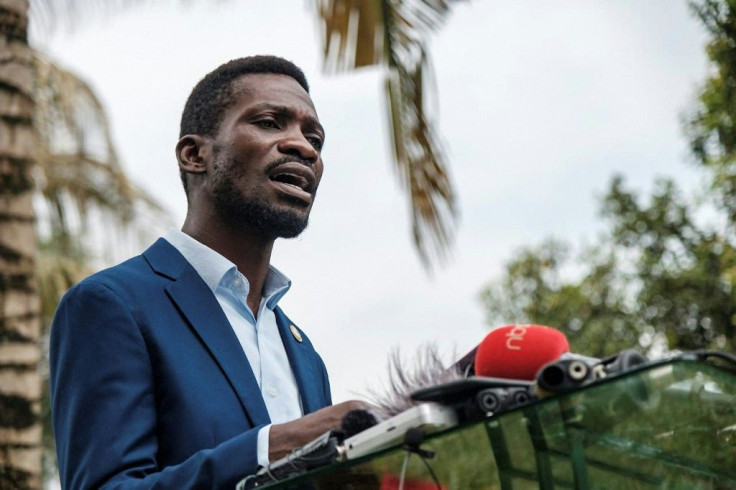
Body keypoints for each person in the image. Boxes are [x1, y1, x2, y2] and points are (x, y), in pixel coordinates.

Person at [49, 55, 365, 489]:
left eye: (315, 138)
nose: (304, 147)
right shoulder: (113, 304)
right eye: (271, 122)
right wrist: (272, 447)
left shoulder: (305, 355)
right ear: (195, 155)